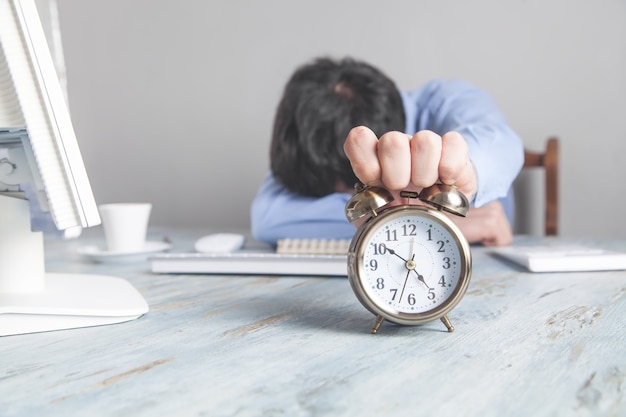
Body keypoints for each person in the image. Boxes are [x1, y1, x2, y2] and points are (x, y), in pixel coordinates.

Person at [251, 57, 524, 246]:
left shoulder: (449, 101)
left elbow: (500, 143)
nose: (343, 198)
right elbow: (268, 219)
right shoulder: (305, 140)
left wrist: (466, 170)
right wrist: (423, 227)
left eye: (351, 193)